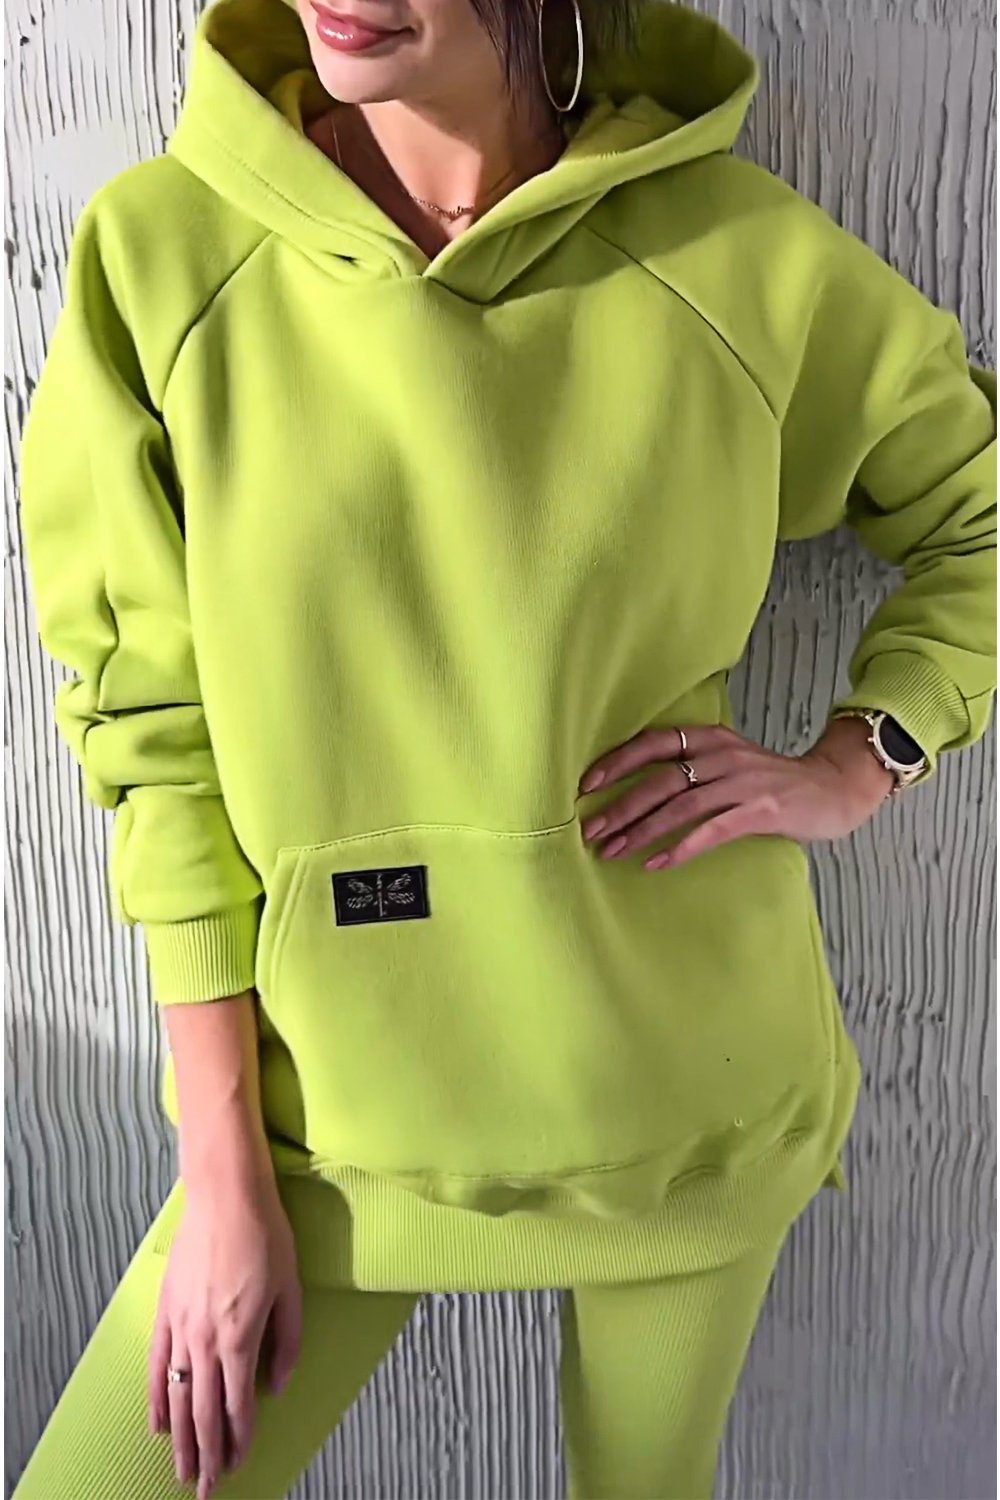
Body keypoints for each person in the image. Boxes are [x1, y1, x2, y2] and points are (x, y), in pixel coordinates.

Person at [12, 0, 996, 1496]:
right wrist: (222, 1176)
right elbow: (153, 737)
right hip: (328, 1125)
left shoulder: (733, 256)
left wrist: (865, 757)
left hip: (686, 1104)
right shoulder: (165, 259)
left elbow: (977, 509)